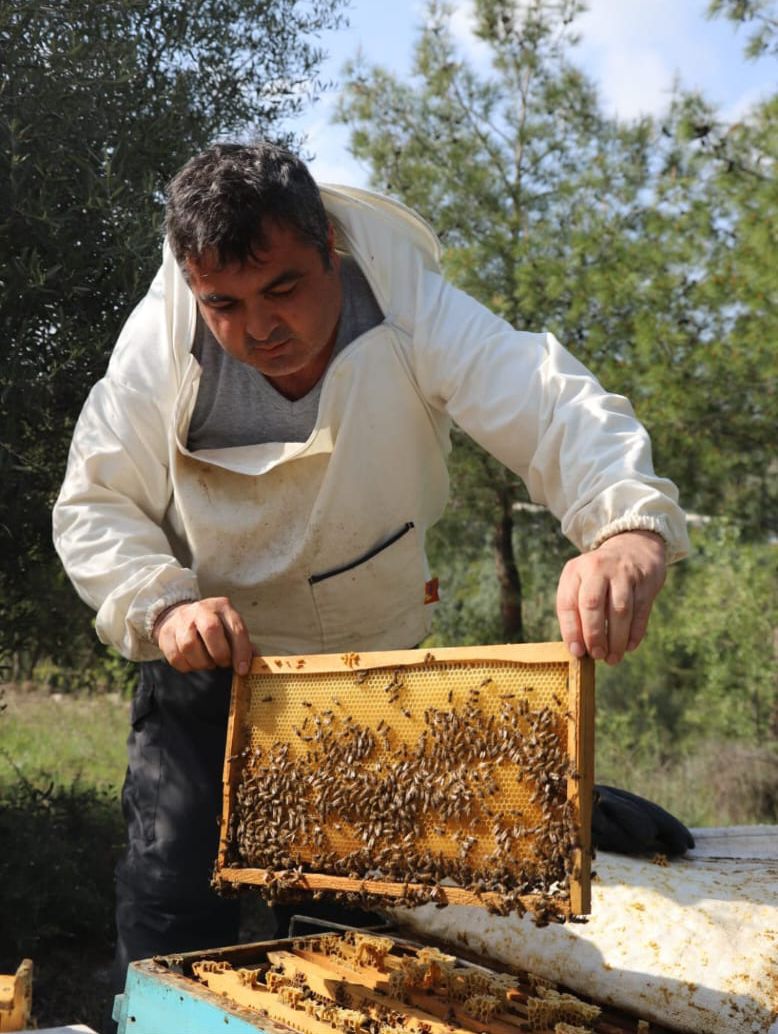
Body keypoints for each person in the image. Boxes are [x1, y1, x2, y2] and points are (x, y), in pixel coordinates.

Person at [53, 142, 689, 1010]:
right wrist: (160, 603)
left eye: (282, 288)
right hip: (210, 662)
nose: (257, 328)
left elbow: (547, 404)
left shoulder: (410, 303)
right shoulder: (160, 346)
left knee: (360, 941)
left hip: (369, 674)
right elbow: (93, 501)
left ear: (332, 250)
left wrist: (622, 526)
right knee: (170, 923)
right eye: (225, 305)